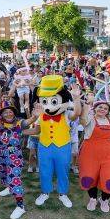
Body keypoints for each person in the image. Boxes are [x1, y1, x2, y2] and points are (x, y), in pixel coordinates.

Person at [28, 77, 82, 209]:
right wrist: (20, 131)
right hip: (44, 146)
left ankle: (63, 193)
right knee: (45, 170)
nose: (49, 105)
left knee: (62, 170)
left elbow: (76, 114)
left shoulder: (66, 114)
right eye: (45, 100)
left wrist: (76, 99)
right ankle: (45, 192)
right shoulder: (41, 114)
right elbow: (36, 129)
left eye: (53, 101)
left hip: (62, 146)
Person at [0, 103, 40, 219]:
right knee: (3, 174)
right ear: (2, 114)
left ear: (14, 113)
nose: (8, 113)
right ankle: (9, 188)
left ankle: (20, 206)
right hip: (1, 155)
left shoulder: (19, 124)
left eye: (10, 111)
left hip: (14, 158)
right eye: (5, 112)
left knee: (14, 179)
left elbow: (31, 122)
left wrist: (35, 117)